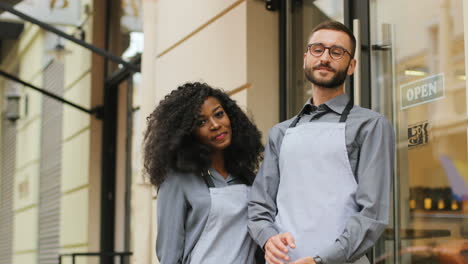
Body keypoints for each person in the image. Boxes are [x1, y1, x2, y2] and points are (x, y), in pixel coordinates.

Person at [248, 21, 395, 264]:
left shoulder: (371, 125)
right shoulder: (280, 133)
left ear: (351, 66)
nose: (325, 57)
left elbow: (372, 215)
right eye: (317, 49)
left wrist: (321, 261)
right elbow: (259, 207)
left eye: (337, 52)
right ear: (305, 58)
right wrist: (268, 239)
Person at [143, 82, 265, 264]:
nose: (215, 125)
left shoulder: (246, 177)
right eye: (201, 122)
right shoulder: (177, 181)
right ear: (187, 133)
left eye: (219, 114)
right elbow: (169, 255)